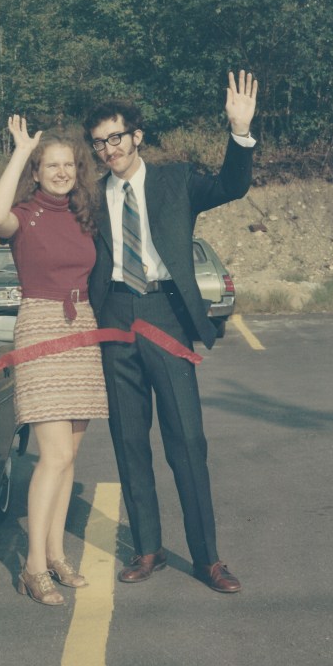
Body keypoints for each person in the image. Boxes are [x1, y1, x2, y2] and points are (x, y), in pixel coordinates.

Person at [83, 70, 258, 591]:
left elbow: (232, 185)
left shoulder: (175, 180)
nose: (108, 149)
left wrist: (239, 132)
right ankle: (148, 549)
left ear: (137, 136)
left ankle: (207, 558)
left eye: (116, 137)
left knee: (186, 439)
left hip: (166, 314)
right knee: (129, 439)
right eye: (99, 143)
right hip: (114, 316)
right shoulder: (90, 198)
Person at [0, 116, 108, 606]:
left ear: (77, 170)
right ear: (36, 172)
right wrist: (20, 150)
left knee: (70, 457)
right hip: (40, 324)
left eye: (67, 165)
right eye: (50, 165)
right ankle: (32, 568)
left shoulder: (83, 215)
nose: (60, 172)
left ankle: (57, 554)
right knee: (53, 455)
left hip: (82, 326)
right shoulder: (23, 213)